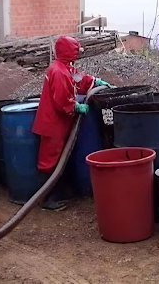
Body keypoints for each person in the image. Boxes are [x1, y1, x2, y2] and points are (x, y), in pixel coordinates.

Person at [32, 36, 109, 210]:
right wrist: (76, 107)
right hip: (52, 124)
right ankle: (47, 199)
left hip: (58, 123)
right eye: (75, 51)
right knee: (49, 161)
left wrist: (95, 81)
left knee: (59, 159)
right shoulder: (58, 72)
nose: (78, 54)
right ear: (68, 51)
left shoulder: (65, 67)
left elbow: (78, 78)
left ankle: (59, 193)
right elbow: (61, 100)